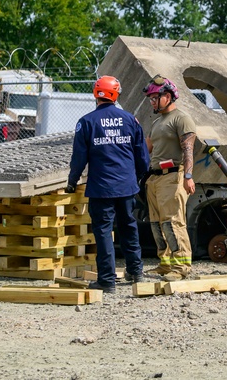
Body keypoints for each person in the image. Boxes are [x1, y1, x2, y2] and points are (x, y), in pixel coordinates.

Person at [66, 76, 150, 293]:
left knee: (103, 232)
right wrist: (140, 177)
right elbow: (142, 155)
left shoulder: (86, 122)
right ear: (116, 94)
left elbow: (79, 158)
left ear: (96, 94)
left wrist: (72, 181)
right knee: (128, 227)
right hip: (126, 187)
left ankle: (107, 280)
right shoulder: (130, 120)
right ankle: (136, 272)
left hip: (101, 188)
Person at [144, 75, 197, 281]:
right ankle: (165, 263)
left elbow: (189, 149)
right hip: (155, 179)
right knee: (157, 223)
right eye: (151, 98)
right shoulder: (157, 122)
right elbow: (146, 149)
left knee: (173, 222)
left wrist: (188, 176)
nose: (152, 102)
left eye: (155, 98)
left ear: (168, 96)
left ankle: (181, 266)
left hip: (173, 176)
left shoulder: (181, 119)